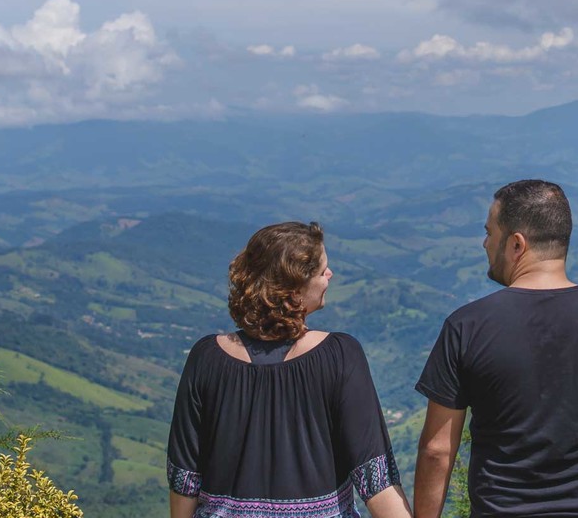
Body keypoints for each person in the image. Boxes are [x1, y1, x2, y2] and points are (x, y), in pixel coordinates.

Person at [414, 180, 578, 518]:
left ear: (516, 244)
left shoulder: (466, 326)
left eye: (489, 233)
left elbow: (436, 451)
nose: (485, 243)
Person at [167, 221, 411, 518]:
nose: (330, 275)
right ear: (294, 291)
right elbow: (375, 478)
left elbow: (185, 478)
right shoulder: (340, 356)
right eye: (322, 271)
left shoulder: (206, 358)